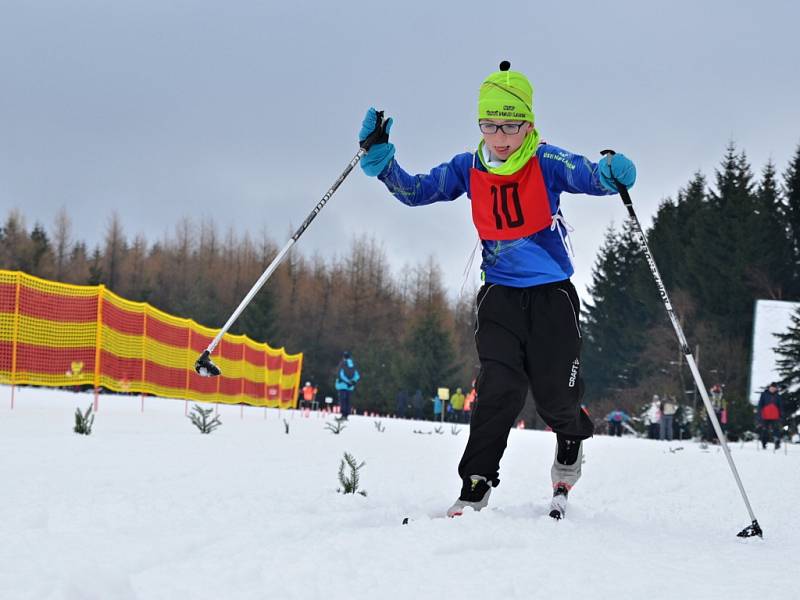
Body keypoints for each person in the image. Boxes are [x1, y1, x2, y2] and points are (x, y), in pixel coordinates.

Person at [359, 61, 636, 520]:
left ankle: (571, 439)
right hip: (500, 297)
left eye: (510, 124)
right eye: (490, 125)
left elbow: (586, 174)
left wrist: (610, 173)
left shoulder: (545, 161)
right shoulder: (468, 167)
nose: (501, 136)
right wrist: (383, 162)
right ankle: (476, 482)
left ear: (529, 123)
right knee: (497, 389)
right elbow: (416, 191)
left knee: (554, 396)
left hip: (552, 297)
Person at [334, 351, 360, 420]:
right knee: (348, 400)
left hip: (342, 385)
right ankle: (346, 415)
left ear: (343, 357)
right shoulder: (353, 365)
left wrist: (347, 382)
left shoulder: (342, 364)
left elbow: (341, 375)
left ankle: (343, 415)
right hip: (350, 387)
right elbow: (357, 375)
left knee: (343, 401)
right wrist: (352, 382)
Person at [757, 382, 783, 450]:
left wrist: (781, 415)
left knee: (776, 430)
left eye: (774, 388)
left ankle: (777, 443)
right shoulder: (764, 395)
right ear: (769, 388)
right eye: (771, 388)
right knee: (765, 430)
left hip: (775, 416)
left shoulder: (778, 396)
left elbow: (780, 407)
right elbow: (760, 405)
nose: (773, 389)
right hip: (765, 415)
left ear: (776, 389)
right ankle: (764, 443)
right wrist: (759, 415)